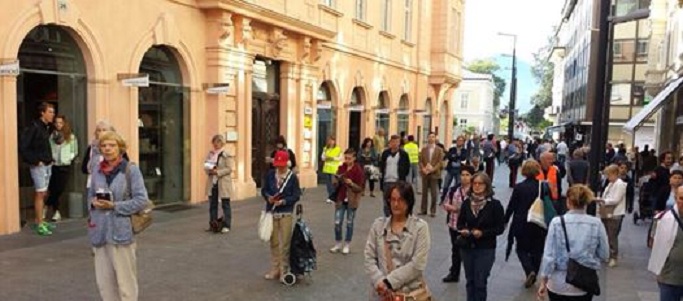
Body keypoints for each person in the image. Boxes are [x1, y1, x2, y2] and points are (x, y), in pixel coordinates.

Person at [87, 131, 149, 301]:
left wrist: (114, 206)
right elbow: (90, 196)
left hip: (121, 234)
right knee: (105, 284)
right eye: (104, 146)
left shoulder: (131, 170)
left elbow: (141, 200)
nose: (107, 149)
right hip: (100, 232)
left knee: (126, 283)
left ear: (120, 148)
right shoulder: (97, 171)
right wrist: (93, 204)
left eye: (112, 145)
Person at [537, 185, 609, 301]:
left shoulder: (556, 222)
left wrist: (543, 282)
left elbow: (549, 256)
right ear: (586, 203)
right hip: (584, 283)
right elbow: (604, 254)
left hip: (558, 283)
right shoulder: (596, 224)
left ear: (568, 202)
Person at [364, 181, 431, 301]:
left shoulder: (420, 228)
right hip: (382, 295)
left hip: (410, 294)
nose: (395, 204)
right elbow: (369, 257)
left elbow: (417, 264)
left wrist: (389, 282)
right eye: (392, 199)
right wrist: (379, 281)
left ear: (408, 201)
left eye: (400, 200)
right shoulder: (378, 226)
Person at [457, 172, 505, 301]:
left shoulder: (495, 205)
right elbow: (460, 223)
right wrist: (464, 230)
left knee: (480, 282)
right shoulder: (466, 203)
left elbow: (500, 228)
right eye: (475, 183)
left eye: (480, 184)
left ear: (487, 186)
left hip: (485, 248)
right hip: (467, 247)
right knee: (470, 280)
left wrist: (483, 233)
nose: (477, 186)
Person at [505, 160, 548, 288]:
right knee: (537, 249)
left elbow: (512, 205)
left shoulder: (519, 187)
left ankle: (529, 270)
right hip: (538, 221)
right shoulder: (543, 186)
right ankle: (534, 270)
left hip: (521, 221)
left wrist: (505, 219)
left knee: (521, 249)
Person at [261, 150, 302, 281]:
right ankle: (275, 268)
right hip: (272, 211)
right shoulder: (270, 174)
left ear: (287, 164)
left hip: (286, 213)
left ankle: (285, 270)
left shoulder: (292, 177)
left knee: (285, 243)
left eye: (282, 165)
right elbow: (264, 190)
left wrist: (284, 201)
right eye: (277, 164)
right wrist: (268, 197)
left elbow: (296, 195)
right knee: (274, 242)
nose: (279, 167)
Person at [19, 102, 55, 236]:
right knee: (40, 193)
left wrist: (50, 159)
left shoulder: (46, 127)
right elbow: (24, 147)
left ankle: (40, 219)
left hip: (47, 164)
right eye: (50, 112)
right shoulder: (34, 127)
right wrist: (36, 161)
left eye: (53, 111)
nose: (52, 114)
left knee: (44, 193)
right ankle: (39, 224)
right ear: (43, 113)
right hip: (39, 166)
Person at [441, 165, 475, 283]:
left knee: (469, 251)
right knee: (456, 250)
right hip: (454, 224)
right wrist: (451, 208)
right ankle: (454, 273)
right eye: (462, 175)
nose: (464, 178)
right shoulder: (454, 190)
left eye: (467, 175)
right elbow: (445, 203)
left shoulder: (475, 191)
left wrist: (460, 209)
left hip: (469, 226)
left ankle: (472, 274)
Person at [648, 185, 683, 301]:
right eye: (681, 198)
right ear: (676, 198)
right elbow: (654, 244)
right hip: (669, 277)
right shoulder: (663, 218)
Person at [330, 148, 365, 254]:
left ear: (354, 158)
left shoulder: (358, 170)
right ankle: (338, 243)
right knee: (337, 222)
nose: (347, 160)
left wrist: (351, 183)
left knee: (349, 222)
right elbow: (335, 182)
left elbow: (360, 188)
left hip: (352, 200)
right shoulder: (342, 168)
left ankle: (347, 244)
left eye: (349, 158)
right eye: (345, 158)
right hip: (341, 198)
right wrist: (336, 179)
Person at [46, 114, 78, 222]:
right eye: (56, 122)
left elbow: (74, 150)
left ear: (64, 124)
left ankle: (46, 205)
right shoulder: (52, 136)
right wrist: (51, 158)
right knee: (53, 189)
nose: (58, 125)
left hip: (65, 165)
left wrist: (69, 158)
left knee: (59, 189)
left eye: (60, 122)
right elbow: (49, 149)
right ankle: (56, 212)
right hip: (54, 165)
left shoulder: (70, 136)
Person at [597, 164, 627, 268]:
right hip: (607, 212)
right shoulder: (611, 184)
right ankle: (609, 254)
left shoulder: (620, 184)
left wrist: (603, 200)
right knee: (608, 235)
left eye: (608, 175)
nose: (607, 177)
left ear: (614, 174)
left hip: (615, 213)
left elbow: (616, 199)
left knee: (612, 236)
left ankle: (613, 256)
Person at [204, 135, 234, 233]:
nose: (215, 145)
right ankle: (213, 224)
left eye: (217, 142)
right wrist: (209, 170)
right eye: (214, 143)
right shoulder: (211, 154)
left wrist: (218, 172)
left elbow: (229, 169)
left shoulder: (226, 154)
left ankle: (227, 225)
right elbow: (206, 165)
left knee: (225, 204)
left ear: (221, 143)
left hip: (223, 183)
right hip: (213, 182)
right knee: (213, 204)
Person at [379, 135, 411, 216]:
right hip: (387, 181)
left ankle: (396, 218)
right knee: (386, 203)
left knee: (397, 202)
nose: (395, 144)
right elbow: (382, 166)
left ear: (399, 143)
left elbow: (407, 168)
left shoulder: (403, 154)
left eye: (397, 142)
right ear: (390, 142)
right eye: (393, 142)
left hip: (397, 182)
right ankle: (387, 219)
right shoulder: (385, 153)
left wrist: (402, 178)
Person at [418, 132, 444, 217]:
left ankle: (433, 211)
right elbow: (420, 160)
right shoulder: (424, 149)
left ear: (435, 138)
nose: (431, 139)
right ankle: (423, 210)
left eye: (433, 137)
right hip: (425, 173)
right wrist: (423, 168)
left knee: (434, 193)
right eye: (429, 137)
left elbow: (440, 162)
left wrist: (433, 169)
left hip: (434, 173)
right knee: (424, 193)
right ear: (427, 138)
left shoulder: (439, 150)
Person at [321, 136, 342, 204]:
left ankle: (333, 197)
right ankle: (330, 196)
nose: (331, 142)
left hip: (334, 169)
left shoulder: (338, 149)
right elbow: (322, 157)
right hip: (327, 168)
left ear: (334, 141)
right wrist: (325, 158)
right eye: (329, 140)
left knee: (333, 184)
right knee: (328, 184)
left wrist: (333, 158)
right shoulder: (325, 148)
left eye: (332, 140)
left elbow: (340, 158)